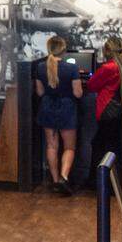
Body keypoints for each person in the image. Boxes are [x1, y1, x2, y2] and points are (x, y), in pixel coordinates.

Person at [35, 35, 83, 195]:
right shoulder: (71, 68)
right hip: (66, 108)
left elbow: (40, 92)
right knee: (69, 147)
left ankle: (55, 181)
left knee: (51, 146)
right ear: (63, 49)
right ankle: (64, 177)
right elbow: (78, 93)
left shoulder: (41, 67)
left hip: (47, 107)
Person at [87, 36, 122, 183]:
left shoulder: (108, 67)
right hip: (118, 111)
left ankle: (98, 182)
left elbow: (91, 84)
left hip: (107, 111)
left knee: (100, 146)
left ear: (107, 51)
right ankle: (117, 181)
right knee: (115, 146)